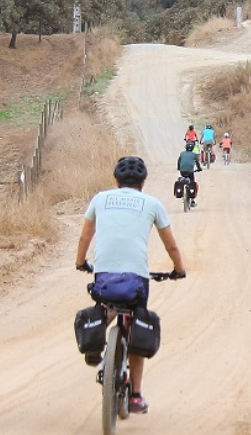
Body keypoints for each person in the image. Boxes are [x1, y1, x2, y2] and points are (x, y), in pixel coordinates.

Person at [76, 156, 186, 415]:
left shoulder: (100, 199)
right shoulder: (153, 204)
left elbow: (85, 235)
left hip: (104, 275)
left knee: (107, 303)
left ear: (115, 180)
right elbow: (171, 245)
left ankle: (96, 342)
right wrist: (178, 270)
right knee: (136, 324)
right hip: (136, 277)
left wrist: (81, 262)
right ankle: (135, 395)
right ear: (143, 182)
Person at [177, 141, 203, 206]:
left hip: (182, 171)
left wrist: (179, 168)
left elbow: (179, 161)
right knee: (192, 181)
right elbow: (197, 163)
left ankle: (183, 191)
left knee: (183, 179)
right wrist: (199, 169)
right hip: (190, 172)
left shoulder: (182, 153)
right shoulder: (194, 154)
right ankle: (192, 201)